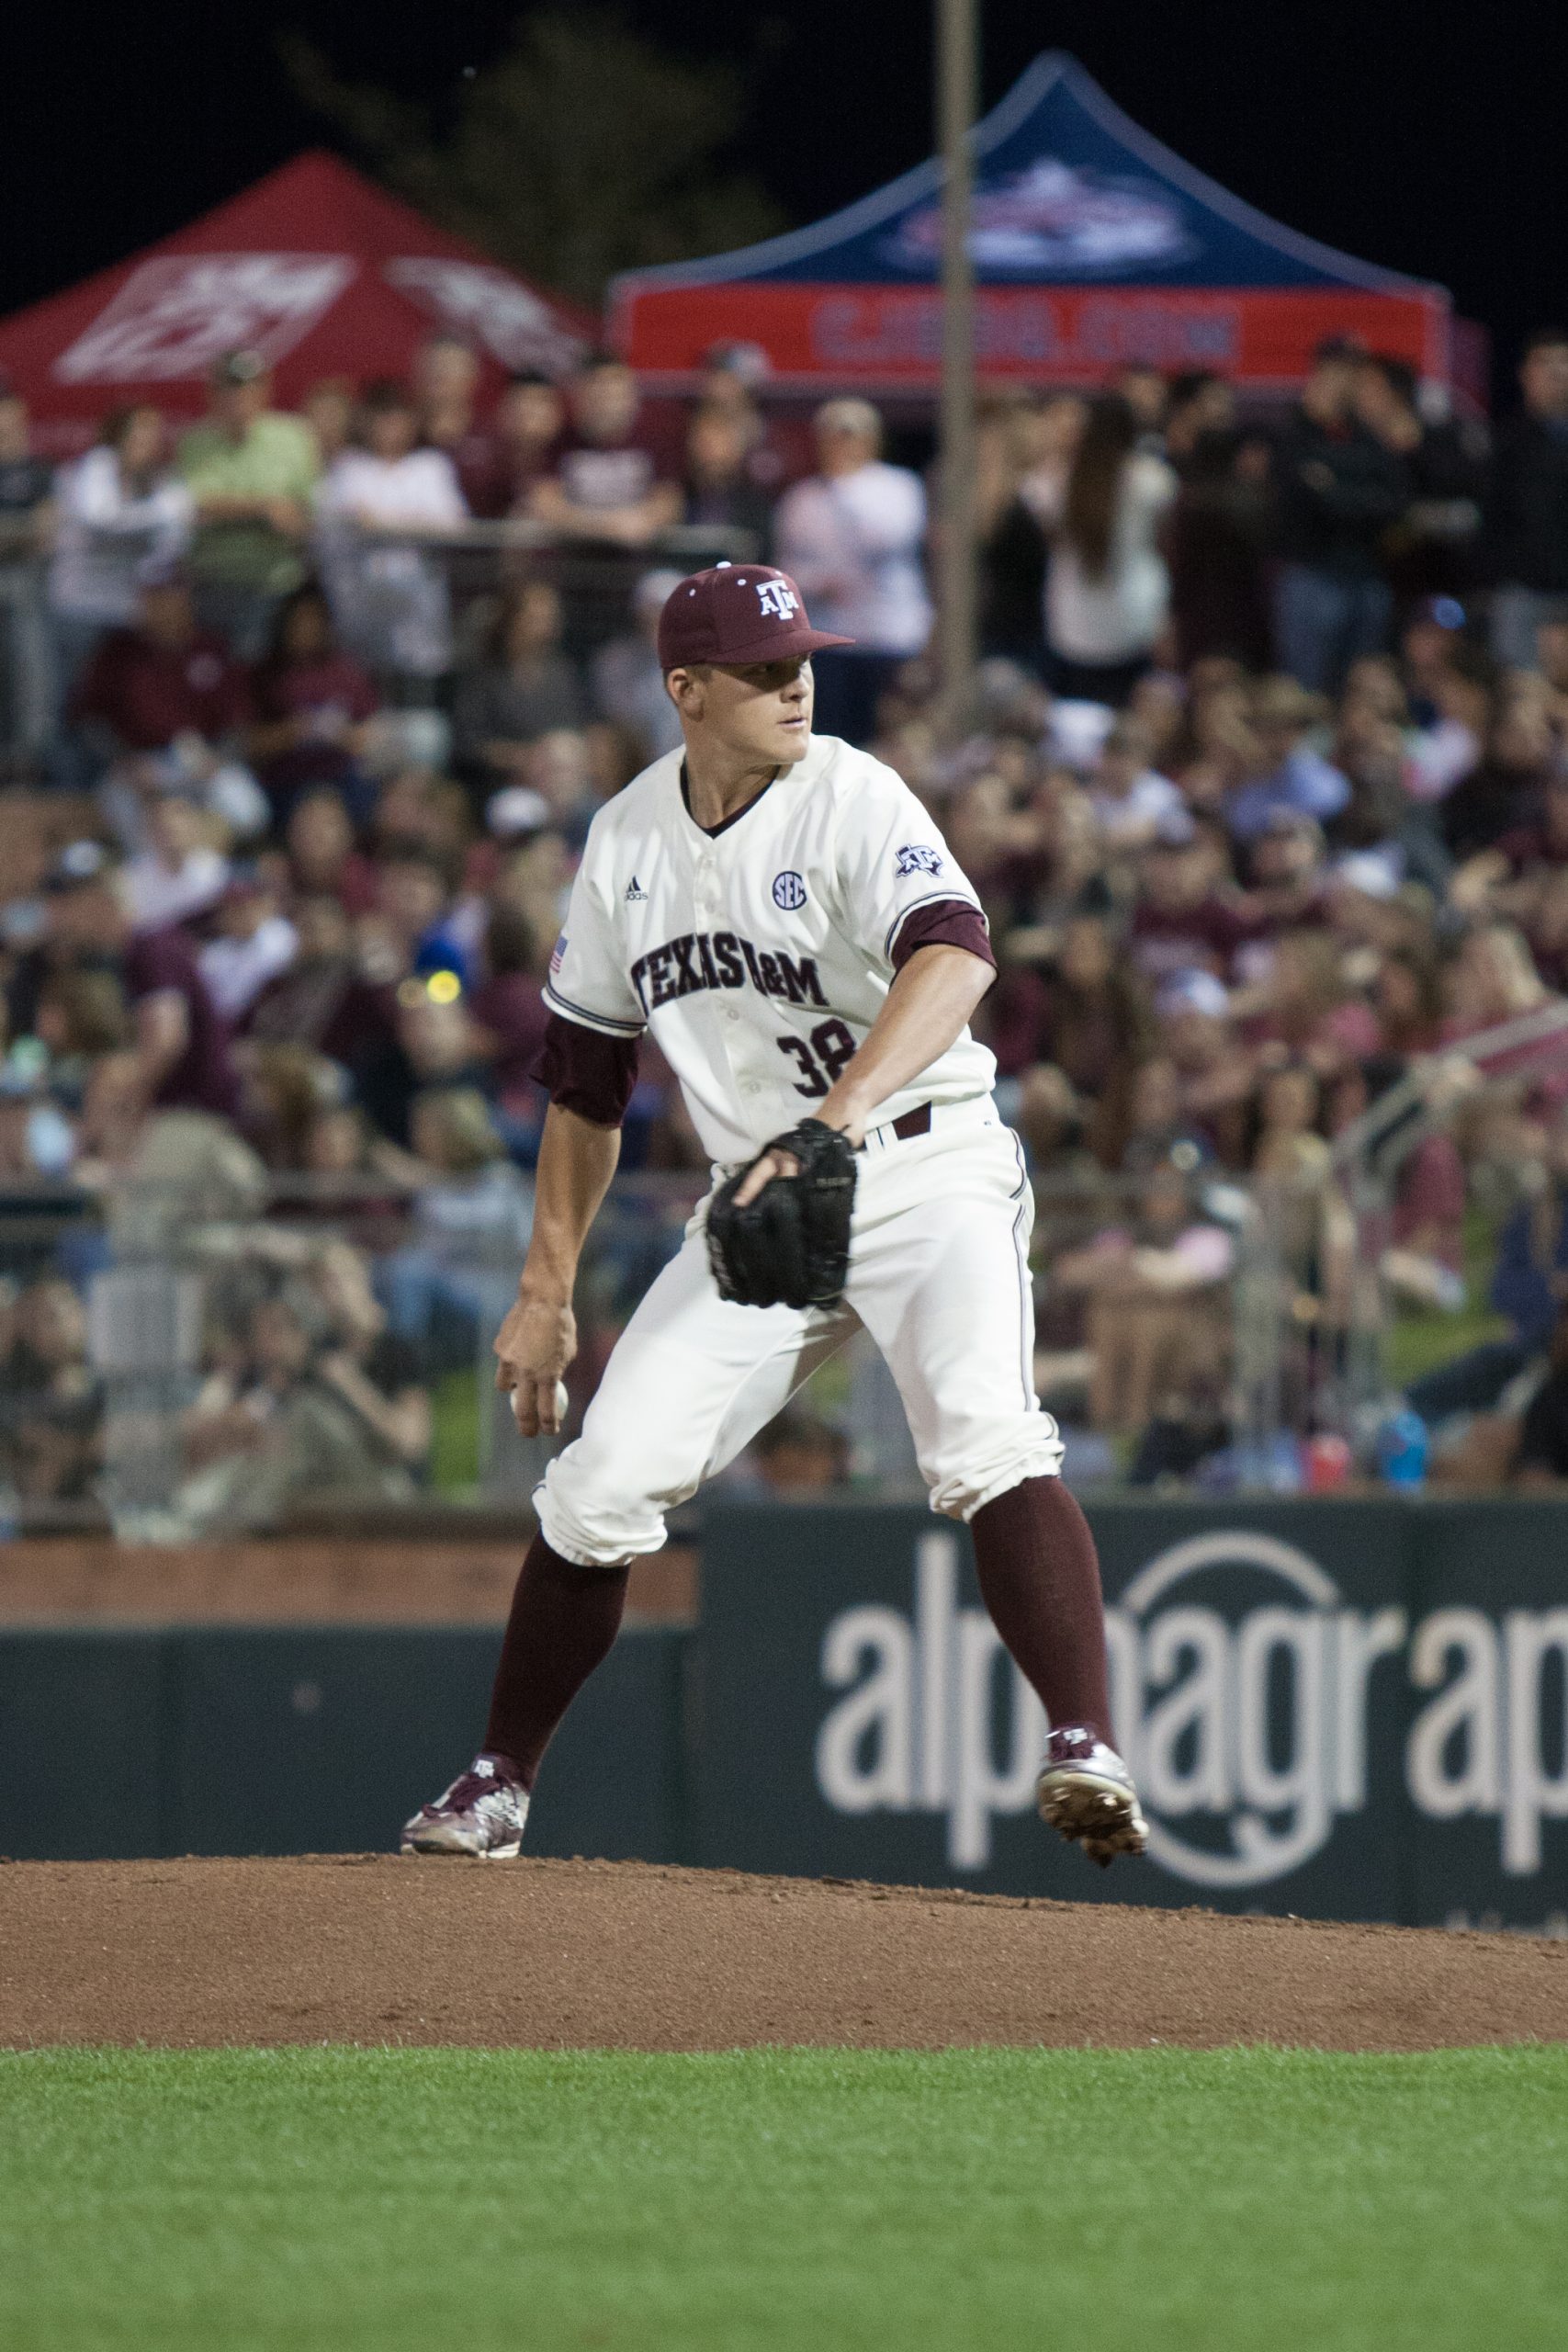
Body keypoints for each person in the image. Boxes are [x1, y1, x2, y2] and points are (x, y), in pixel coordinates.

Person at [401, 559, 1147, 1869]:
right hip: (760, 1203)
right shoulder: (624, 839)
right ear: (685, 691)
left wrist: (833, 1123)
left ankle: (1082, 1739)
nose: (793, 678)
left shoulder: (849, 793)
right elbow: (584, 1083)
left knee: (983, 1437)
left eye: (799, 655)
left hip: (921, 1163)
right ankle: (495, 1780)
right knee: (599, 1486)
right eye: (759, 668)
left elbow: (955, 953)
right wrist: (544, 1286)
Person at [772, 400, 931, 744]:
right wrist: (817, 583)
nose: (842, 445)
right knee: (834, 738)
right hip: (828, 635)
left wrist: (843, 488)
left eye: (851, 436)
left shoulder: (899, 486)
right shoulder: (802, 497)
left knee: (891, 739)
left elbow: (887, 537)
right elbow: (787, 567)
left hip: (888, 635)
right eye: (833, 437)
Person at [1271, 337, 1408, 693]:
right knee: (1307, 689)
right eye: (1339, 371)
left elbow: (1393, 502)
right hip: (1312, 573)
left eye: (1353, 372)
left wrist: (1332, 488)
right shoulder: (1294, 432)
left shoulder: (1369, 438)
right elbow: (1294, 493)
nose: (1346, 382)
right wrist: (1353, 493)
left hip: (1365, 574)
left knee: (1362, 687)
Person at [316, 379, 468, 682]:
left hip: (418, 602)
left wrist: (384, 524)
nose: (389, 427)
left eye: (397, 418)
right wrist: (413, 523)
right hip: (361, 603)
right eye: (381, 418)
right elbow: (338, 525)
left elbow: (453, 524)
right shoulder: (348, 468)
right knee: (362, 682)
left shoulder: (431, 466)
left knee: (419, 685)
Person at [177, 351, 319, 657]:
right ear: (212, 394)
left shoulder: (294, 437)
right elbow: (194, 506)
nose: (237, 395)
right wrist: (264, 508)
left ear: (265, 390)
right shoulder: (194, 442)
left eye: (246, 386)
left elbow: (307, 510)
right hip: (212, 584)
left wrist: (286, 516)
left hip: (276, 587)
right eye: (227, 387)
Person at [47, 406, 193, 696]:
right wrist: (164, 512)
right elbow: (103, 520)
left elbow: (173, 543)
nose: (147, 446)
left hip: (126, 615)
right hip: (79, 610)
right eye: (138, 437)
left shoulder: (155, 481)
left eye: (152, 438)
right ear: (117, 439)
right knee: (71, 697)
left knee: (119, 700)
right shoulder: (93, 468)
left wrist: (168, 516)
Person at [1041, 394, 1178, 706]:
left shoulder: (1053, 482)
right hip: (1132, 616)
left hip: (1074, 621)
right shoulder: (1151, 479)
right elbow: (1164, 542)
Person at [244, 582, 379, 821]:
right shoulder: (266, 674)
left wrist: (341, 735)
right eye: (297, 620)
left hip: (338, 775)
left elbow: (373, 733)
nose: (305, 628)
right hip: (287, 779)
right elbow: (248, 743)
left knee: (366, 793)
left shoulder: (345, 671)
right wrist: (295, 731)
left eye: (312, 620)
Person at [1483, 328, 1568, 673]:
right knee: (1520, 694)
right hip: (1522, 593)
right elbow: (1491, 519)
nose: (1557, 373)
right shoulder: (1504, 442)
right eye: (1545, 363)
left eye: (1564, 363)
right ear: (1525, 374)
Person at [452, 579, 586, 788]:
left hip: (557, 777)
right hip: (502, 783)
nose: (547, 625)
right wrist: (522, 757)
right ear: (513, 620)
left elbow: (575, 728)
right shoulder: (485, 675)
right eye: (537, 617)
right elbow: (470, 743)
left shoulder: (562, 674)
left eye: (550, 616)